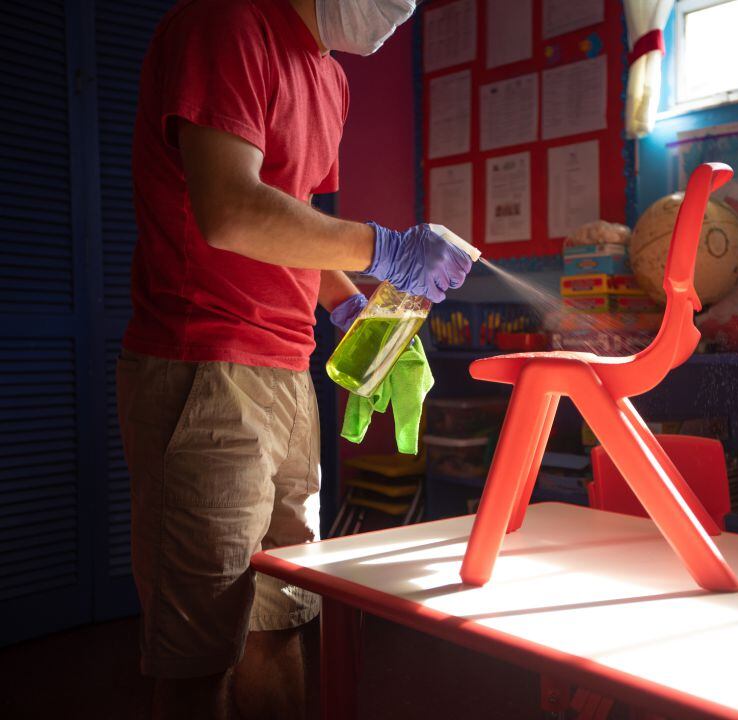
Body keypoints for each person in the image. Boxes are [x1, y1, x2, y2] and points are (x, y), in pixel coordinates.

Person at [114, 1, 468, 718]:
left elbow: (289, 220)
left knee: (283, 622)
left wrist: (351, 312)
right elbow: (231, 211)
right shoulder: (227, 25)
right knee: (201, 654)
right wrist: (387, 251)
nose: (399, 10)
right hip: (205, 366)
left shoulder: (330, 79)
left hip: (286, 372)